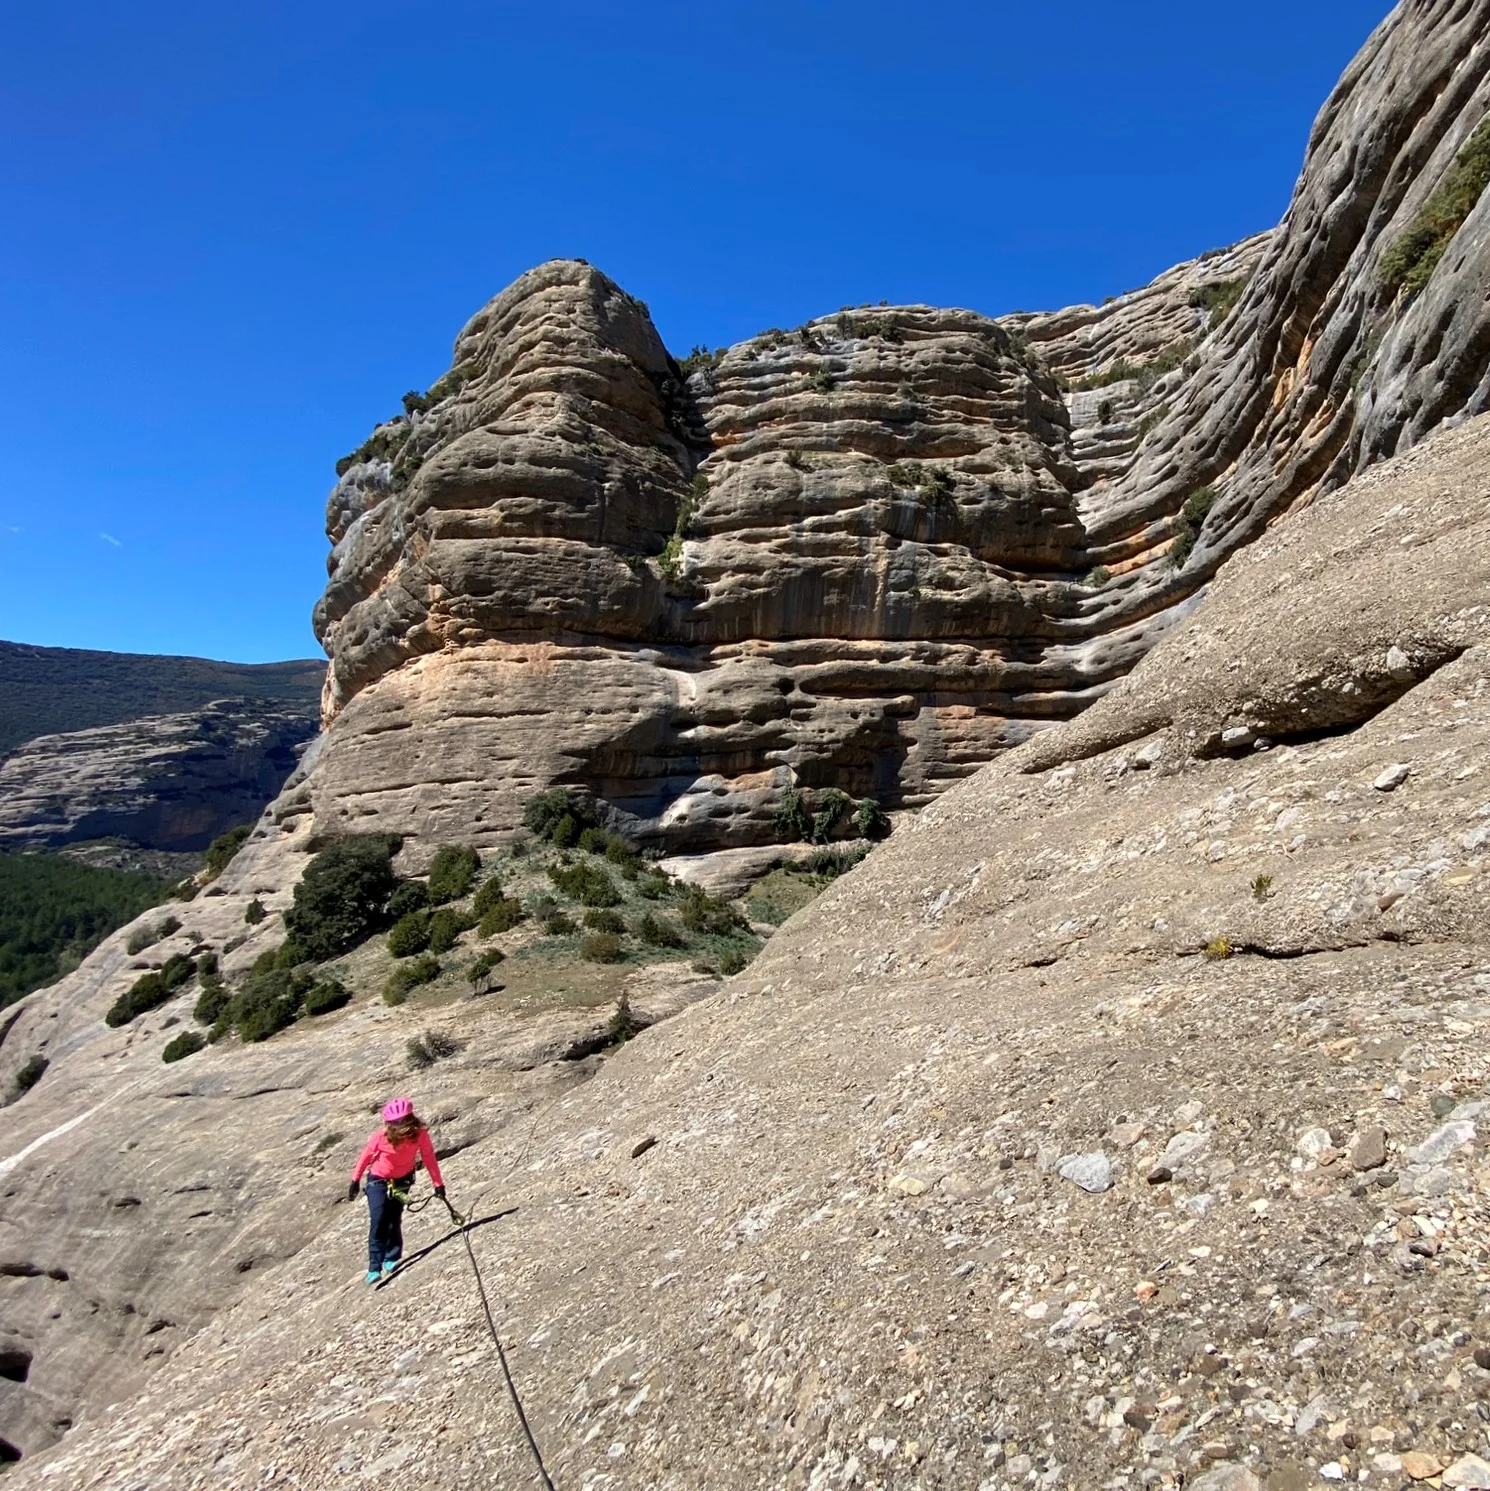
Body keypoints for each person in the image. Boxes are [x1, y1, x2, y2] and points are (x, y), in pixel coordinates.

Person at [347, 1098, 446, 1284]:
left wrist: (438, 1184)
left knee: (393, 1217)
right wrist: (355, 1179)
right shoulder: (381, 1137)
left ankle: (391, 1258)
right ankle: (374, 1267)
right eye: (395, 1122)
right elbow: (366, 1156)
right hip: (378, 1179)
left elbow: (428, 1157)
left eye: (402, 1120)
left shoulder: (420, 1135)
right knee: (379, 1219)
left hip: (403, 1179)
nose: (399, 1125)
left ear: (410, 1119)